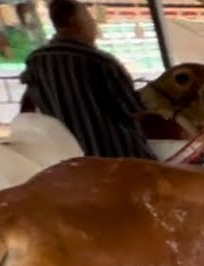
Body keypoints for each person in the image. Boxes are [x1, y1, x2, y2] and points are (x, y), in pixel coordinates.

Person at [18, 0, 156, 160]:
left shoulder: (36, 61)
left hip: (70, 159)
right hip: (118, 156)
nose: (94, 25)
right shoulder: (101, 62)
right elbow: (133, 110)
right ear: (74, 22)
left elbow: (28, 106)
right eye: (89, 18)